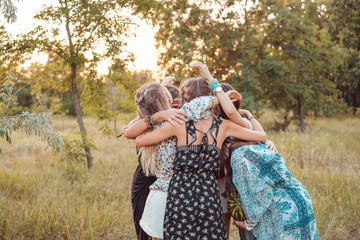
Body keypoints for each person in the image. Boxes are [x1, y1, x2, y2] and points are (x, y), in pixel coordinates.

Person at [135, 77, 267, 239]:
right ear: (211, 100)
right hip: (208, 193)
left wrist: (156, 117)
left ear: (185, 101)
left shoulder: (178, 124)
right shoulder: (223, 125)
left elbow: (139, 140)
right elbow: (261, 136)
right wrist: (248, 115)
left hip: (180, 192)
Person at [218, 85, 319, 240]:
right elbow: (261, 136)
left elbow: (261, 192)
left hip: (283, 211)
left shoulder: (239, 154)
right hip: (300, 200)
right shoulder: (254, 139)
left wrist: (249, 223)